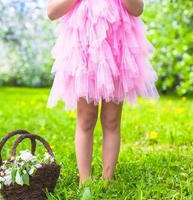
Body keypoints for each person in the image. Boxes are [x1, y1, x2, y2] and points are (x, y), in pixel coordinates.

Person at [46, 0, 159, 186]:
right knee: (86, 117)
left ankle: (107, 178)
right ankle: (85, 180)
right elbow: (52, 12)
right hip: (84, 55)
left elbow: (137, 9)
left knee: (111, 119)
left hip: (117, 54)